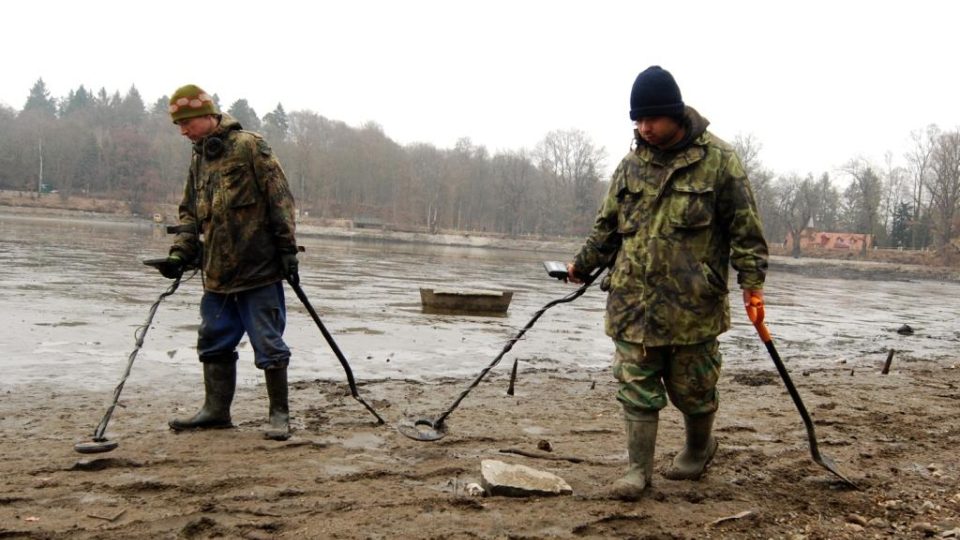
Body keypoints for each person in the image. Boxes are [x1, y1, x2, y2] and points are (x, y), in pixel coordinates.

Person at [566, 66, 768, 499]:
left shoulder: (719, 161)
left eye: (651, 119)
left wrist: (752, 285)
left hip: (693, 306)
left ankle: (699, 448)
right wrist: (582, 266)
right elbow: (606, 228)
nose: (644, 129)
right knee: (635, 386)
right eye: (637, 121)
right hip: (632, 305)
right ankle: (637, 471)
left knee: (693, 390)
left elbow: (746, 231)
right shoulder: (630, 166)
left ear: (675, 114)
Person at [155, 84, 299, 441]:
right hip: (216, 273)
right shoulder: (198, 157)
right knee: (213, 339)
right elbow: (189, 212)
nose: (182, 131)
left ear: (208, 115)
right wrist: (180, 254)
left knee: (268, 342)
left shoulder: (250, 146)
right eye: (178, 125)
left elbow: (280, 199)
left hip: (259, 269)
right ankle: (216, 411)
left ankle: (279, 415)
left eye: (186, 122)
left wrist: (287, 250)